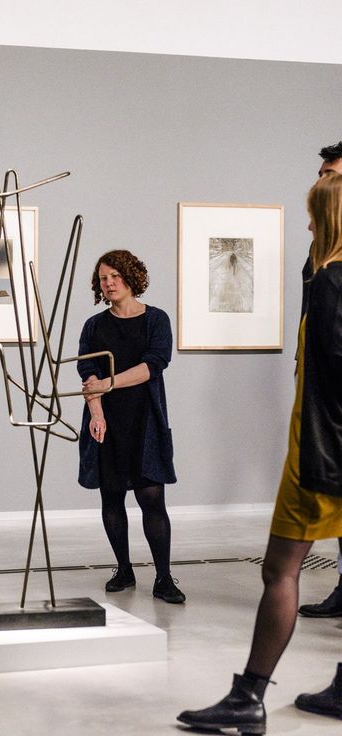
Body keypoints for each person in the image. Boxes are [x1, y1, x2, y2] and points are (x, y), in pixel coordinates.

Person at [177, 172, 342, 733]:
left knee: (279, 571)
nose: (306, 224)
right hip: (332, 450)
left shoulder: (330, 282)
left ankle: (248, 697)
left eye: (313, 215)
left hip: (323, 456)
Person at [77, 250, 185, 604]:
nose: (109, 283)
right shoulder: (94, 325)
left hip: (145, 419)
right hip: (106, 421)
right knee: (111, 497)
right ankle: (123, 569)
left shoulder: (156, 320)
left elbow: (152, 366)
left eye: (115, 276)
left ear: (131, 277)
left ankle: (164, 578)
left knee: (152, 498)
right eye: (103, 278)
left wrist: (106, 385)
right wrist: (96, 412)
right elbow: (87, 374)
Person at [298, 140, 342, 619]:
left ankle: (249, 689)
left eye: (331, 175)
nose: (322, 183)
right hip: (321, 401)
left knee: (281, 563)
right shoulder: (318, 257)